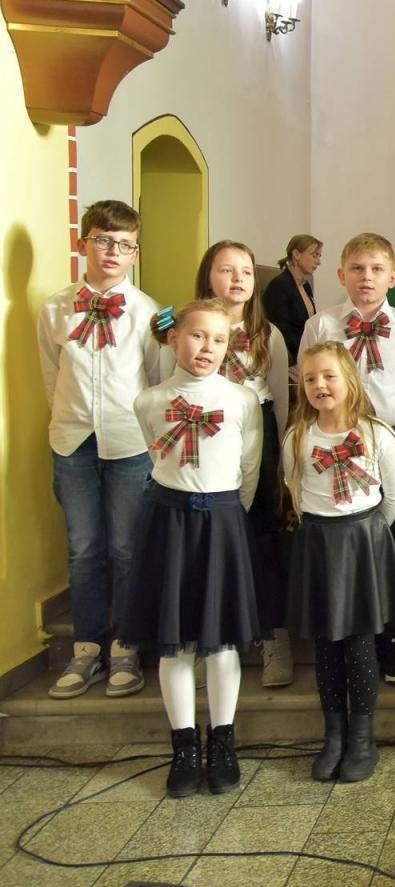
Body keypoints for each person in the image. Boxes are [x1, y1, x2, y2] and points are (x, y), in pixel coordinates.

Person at [121, 299, 262, 797]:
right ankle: (184, 745)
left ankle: (222, 739)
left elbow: (249, 469)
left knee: (221, 640)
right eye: (198, 336)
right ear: (175, 338)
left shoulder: (243, 401)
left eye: (219, 339)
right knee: (175, 640)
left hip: (222, 519)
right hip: (169, 523)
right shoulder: (149, 402)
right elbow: (156, 458)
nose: (208, 347)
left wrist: (224, 512)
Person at [39, 199, 161, 701]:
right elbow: (51, 374)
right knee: (84, 549)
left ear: (135, 252)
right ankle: (87, 647)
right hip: (72, 441)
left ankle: (126, 649)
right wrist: (67, 422)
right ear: (83, 242)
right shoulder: (53, 308)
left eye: (124, 244)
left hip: (130, 443)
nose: (113, 251)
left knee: (127, 550)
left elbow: (155, 383)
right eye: (103, 240)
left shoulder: (149, 311)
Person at [299, 233, 395, 685]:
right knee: (343, 540)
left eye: (377, 269)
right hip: (335, 434)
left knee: (394, 539)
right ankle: (347, 634)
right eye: (357, 268)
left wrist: (392, 432)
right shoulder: (321, 325)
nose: (367, 277)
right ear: (341, 275)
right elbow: (307, 382)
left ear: (393, 277)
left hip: (392, 437)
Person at [282, 342, 395, 784]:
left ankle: (362, 738)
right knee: (325, 645)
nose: (320, 385)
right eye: (311, 378)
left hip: (361, 541)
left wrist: (366, 535)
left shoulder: (377, 434)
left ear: (349, 380)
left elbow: (394, 496)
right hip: (319, 541)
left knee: (358, 643)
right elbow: (296, 493)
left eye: (329, 376)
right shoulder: (299, 438)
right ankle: (332, 735)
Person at [176, 241, 292, 689]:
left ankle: (272, 635)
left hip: (255, 431)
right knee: (209, 535)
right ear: (209, 276)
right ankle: (214, 636)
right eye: (227, 270)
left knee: (262, 535)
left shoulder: (269, 335)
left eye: (246, 271)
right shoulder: (187, 329)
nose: (239, 279)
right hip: (203, 434)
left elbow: (279, 402)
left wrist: (279, 462)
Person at [261, 234, 321, 363]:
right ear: (296, 254)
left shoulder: (305, 285)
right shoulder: (279, 285)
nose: (318, 261)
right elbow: (281, 331)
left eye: (319, 256)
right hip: (288, 359)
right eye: (314, 255)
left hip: (305, 354)